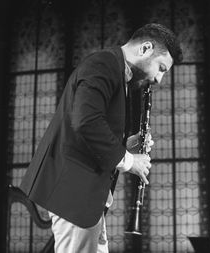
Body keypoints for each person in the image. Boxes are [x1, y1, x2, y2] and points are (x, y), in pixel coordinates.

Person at [19, 23, 182, 253]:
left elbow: (89, 130)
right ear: (145, 48)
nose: (159, 79)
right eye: (161, 68)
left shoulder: (116, 71)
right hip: (75, 193)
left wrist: (128, 145)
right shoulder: (103, 64)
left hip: (85, 197)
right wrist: (129, 160)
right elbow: (86, 121)